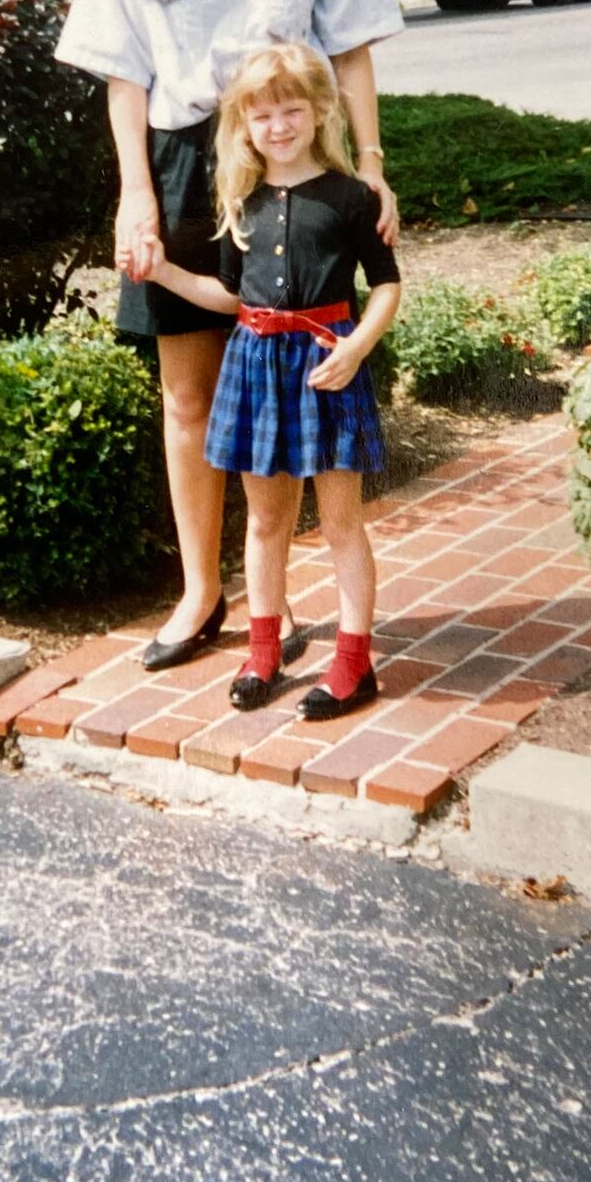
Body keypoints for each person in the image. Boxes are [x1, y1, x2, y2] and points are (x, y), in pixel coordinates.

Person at [54, 0, 403, 671]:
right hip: (177, 158)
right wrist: (134, 194)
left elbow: (355, 46)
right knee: (189, 396)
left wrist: (369, 163)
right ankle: (202, 593)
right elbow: (123, 74)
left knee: (292, 387)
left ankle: (271, 599)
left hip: (285, 156)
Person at [145, 43, 401, 719]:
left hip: (325, 366)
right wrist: (165, 275)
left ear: (320, 112)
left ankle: (353, 662)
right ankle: (262, 653)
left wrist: (358, 348)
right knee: (264, 521)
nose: (279, 127)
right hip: (257, 366)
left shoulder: (353, 197)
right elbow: (231, 294)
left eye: (293, 111)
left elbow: (386, 286)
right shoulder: (246, 201)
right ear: (244, 124)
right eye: (263, 116)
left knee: (342, 522)